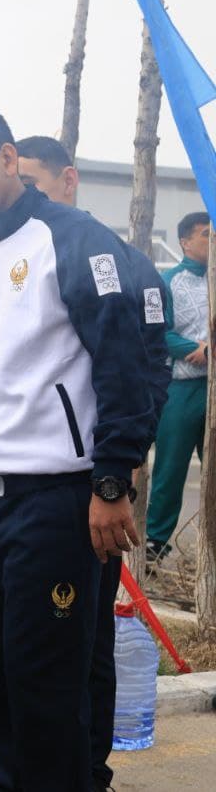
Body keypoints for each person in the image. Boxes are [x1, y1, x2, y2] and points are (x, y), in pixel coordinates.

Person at [0, 105, 155, 792]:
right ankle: (14, 772)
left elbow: (123, 367)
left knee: (47, 674)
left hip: (56, 499)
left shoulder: (76, 241)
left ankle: (61, 779)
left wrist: (112, 480)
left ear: (5, 158)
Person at [14, 133, 170, 792]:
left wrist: (117, 470)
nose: (24, 201)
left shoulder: (125, 264)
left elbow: (145, 375)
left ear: (69, 179)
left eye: (35, 185)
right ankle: (26, 763)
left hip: (90, 485)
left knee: (85, 637)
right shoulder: (15, 258)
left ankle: (90, 767)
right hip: (29, 490)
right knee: (39, 646)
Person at [143, 211, 210, 563]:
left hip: (213, 390)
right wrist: (199, 351)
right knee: (170, 469)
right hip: (182, 390)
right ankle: (156, 543)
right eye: (204, 235)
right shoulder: (167, 282)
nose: (211, 241)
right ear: (185, 241)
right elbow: (159, 332)